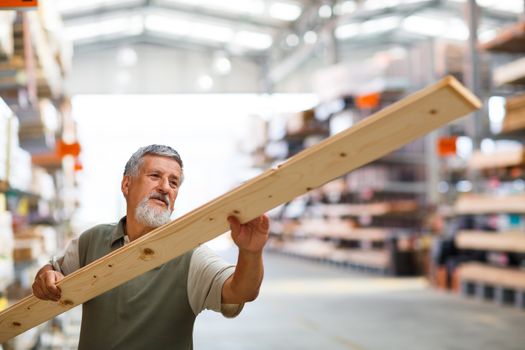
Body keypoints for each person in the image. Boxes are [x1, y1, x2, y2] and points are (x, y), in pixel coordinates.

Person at [32, 144, 270, 350]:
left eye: (173, 182)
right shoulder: (91, 241)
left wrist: (251, 251)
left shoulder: (190, 256)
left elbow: (242, 291)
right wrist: (46, 276)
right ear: (126, 185)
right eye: (155, 176)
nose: (165, 187)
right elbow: (51, 272)